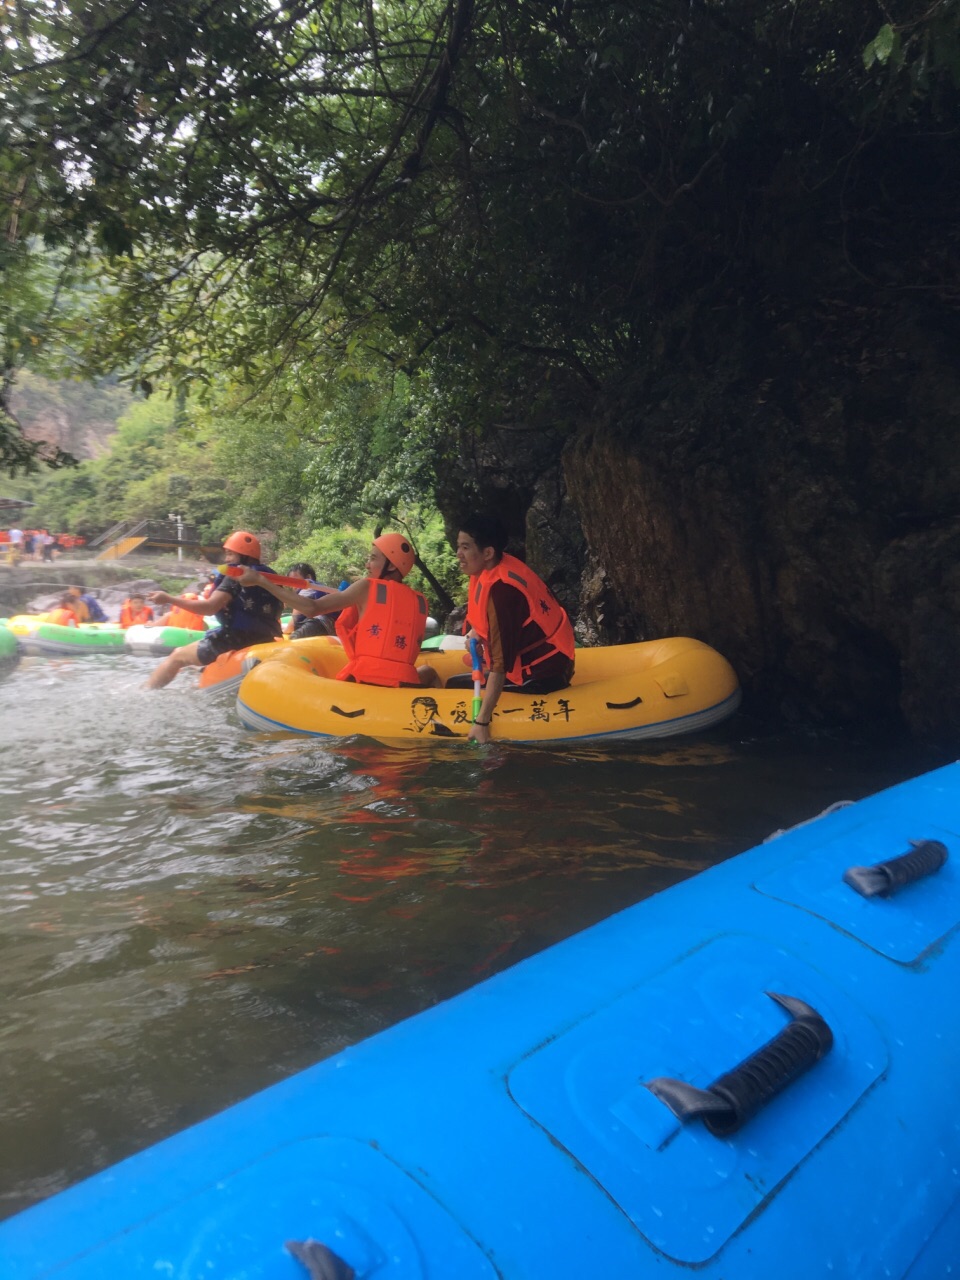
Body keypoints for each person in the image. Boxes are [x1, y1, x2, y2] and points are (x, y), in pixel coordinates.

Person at [423, 514, 575, 744]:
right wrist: (476, 633)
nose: (458, 554)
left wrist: (482, 722)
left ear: (487, 552)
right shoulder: (493, 569)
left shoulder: (502, 592)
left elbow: (500, 666)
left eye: (465, 547)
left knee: (455, 685)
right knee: (456, 683)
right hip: (552, 655)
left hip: (545, 673)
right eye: (458, 547)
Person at [237, 534, 428, 687]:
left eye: (373, 558)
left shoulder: (367, 587)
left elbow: (312, 608)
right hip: (405, 684)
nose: (367, 564)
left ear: (392, 564)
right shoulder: (419, 601)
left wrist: (261, 581)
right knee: (429, 672)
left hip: (367, 683)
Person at [144, 530, 283, 689]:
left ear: (244, 556)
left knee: (177, 656)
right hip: (265, 637)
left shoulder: (236, 575)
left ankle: (146, 691)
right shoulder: (269, 577)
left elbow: (210, 608)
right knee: (195, 664)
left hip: (235, 638)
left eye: (230, 554)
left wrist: (169, 599)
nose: (227, 559)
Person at [283, 561, 339, 639]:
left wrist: (285, 630)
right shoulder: (319, 587)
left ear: (308, 577)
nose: (293, 585)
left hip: (322, 623)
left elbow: (295, 617)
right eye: (291, 582)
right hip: (329, 625)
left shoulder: (308, 586)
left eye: (295, 580)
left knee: (294, 638)